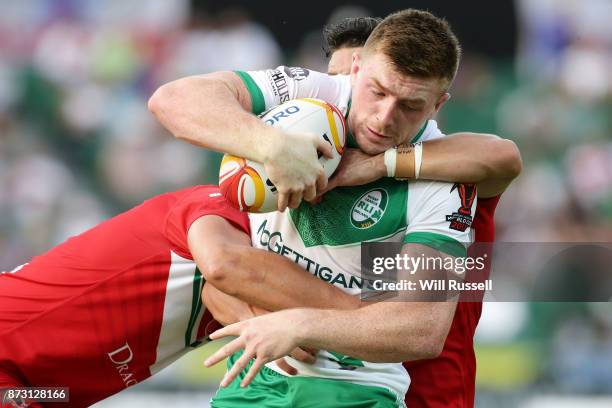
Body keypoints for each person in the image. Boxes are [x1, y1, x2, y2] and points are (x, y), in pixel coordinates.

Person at [149, 8, 520, 407]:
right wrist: (271, 146)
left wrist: (298, 323)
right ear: (354, 73)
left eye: (410, 105)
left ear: (437, 104)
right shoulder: (299, 117)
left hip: (408, 392)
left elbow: (421, 330)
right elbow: (173, 100)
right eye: (373, 91)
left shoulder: (447, 177)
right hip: (258, 381)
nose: (384, 117)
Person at [0, 185, 364, 407]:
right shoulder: (221, 214)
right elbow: (219, 277)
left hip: (40, 388)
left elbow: (219, 278)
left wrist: (362, 318)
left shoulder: (224, 228)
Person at [318, 16, 510, 407]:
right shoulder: (310, 177)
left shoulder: (449, 176)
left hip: (432, 397)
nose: (341, 99)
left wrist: (378, 164)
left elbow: (504, 155)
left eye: (353, 86)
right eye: (333, 84)